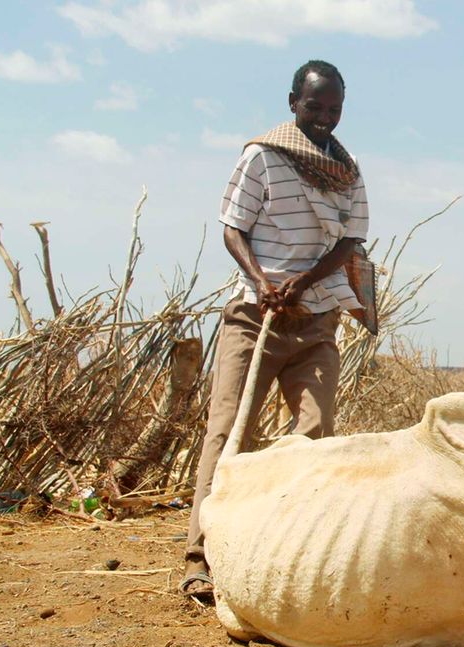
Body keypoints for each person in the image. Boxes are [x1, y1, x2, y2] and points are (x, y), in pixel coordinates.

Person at [179, 60, 369, 600]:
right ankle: (201, 559)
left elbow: (350, 242)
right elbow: (233, 226)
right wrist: (263, 281)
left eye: (334, 109)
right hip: (254, 319)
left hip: (315, 322)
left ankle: (286, 550)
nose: (325, 119)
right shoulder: (261, 156)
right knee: (227, 434)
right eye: (315, 107)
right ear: (293, 102)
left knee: (315, 435)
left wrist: (303, 283)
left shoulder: (349, 170)